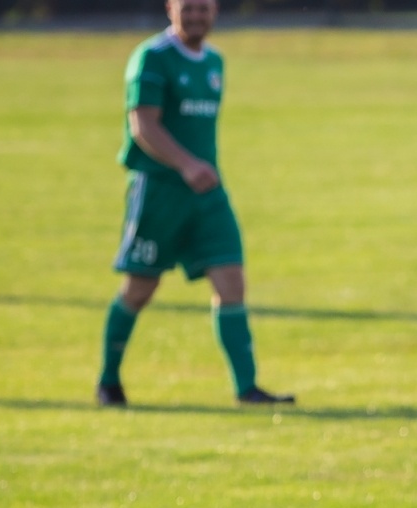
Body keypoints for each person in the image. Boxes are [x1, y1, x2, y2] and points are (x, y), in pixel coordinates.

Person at [99, 0, 292, 407]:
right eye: (187, 9)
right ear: (170, 9)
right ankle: (108, 381)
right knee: (140, 288)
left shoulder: (214, 62)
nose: (196, 17)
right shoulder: (152, 57)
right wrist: (186, 165)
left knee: (232, 282)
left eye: (203, 9)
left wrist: (199, 170)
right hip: (159, 192)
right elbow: (142, 125)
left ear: (215, 10)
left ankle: (247, 389)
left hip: (207, 193)